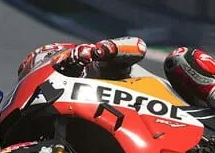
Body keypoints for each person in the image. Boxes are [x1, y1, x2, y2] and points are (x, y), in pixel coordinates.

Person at [17, 36, 215, 109]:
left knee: (181, 57)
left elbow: (137, 45)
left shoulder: (98, 65)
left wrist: (99, 51)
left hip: (180, 109)